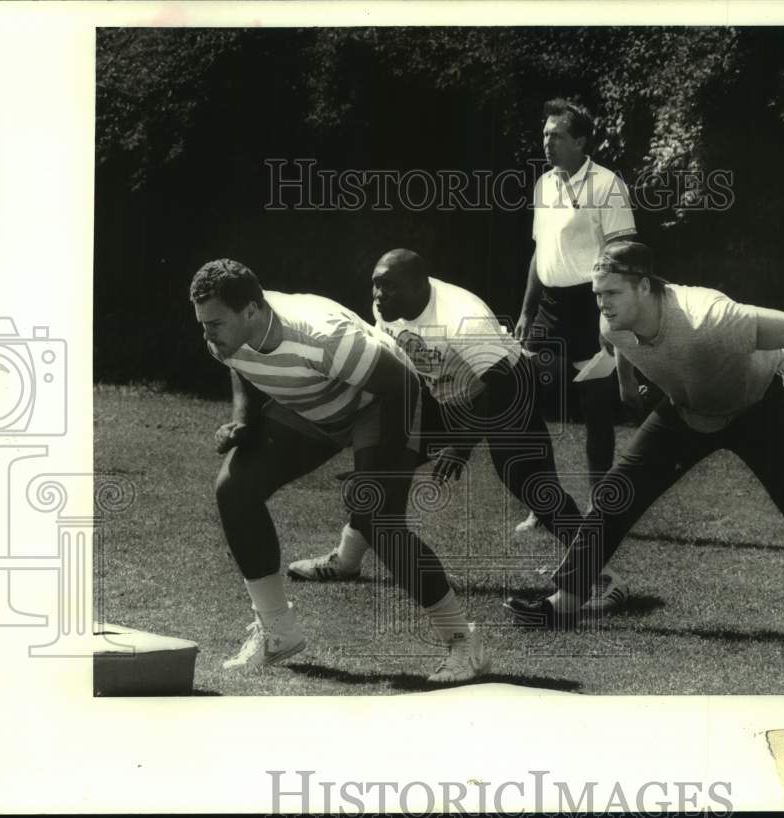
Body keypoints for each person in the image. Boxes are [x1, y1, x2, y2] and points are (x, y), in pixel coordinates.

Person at [503, 242, 784, 662]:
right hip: (688, 409)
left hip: (758, 403)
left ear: (642, 287)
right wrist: (626, 384)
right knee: (616, 492)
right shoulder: (611, 322)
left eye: (612, 293)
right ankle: (564, 604)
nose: (603, 303)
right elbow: (620, 344)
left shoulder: (709, 317)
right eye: (598, 294)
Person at [190, 258, 489, 683]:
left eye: (214, 323)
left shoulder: (325, 337)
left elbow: (401, 382)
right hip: (316, 404)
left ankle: (465, 643)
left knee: (381, 520)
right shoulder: (225, 335)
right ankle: (277, 633)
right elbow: (243, 366)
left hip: (381, 401)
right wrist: (243, 419)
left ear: (252, 311)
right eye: (203, 323)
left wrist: (380, 470)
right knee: (234, 490)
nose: (207, 333)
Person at [287, 249, 626, 610]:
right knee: (380, 467)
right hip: (446, 395)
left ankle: (603, 577)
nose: (379, 296)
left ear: (421, 286)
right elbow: (399, 371)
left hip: (507, 392)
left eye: (389, 287)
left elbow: (503, 383)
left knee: (531, 484)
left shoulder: (462, 317)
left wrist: (460, 446)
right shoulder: (388, 309)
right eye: (376, 286)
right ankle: (346, 560)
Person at [513, 97, 636, 545]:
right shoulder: (544, 185)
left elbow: (624, 255)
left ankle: (600, 505)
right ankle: (540, 502)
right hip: (547, 310)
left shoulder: (608, 186)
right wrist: (527, 310)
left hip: (593, 308)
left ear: (581, 141)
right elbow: (539, 251)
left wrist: (615, 312)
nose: (547, 142)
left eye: (556, 135)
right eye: (544, 134)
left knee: (596, 410)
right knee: (525, 401)